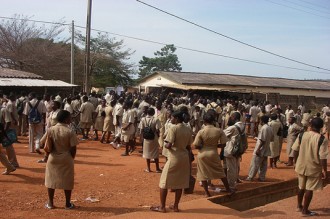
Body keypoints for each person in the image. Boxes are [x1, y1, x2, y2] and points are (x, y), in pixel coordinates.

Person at [150, 111, 192, 213]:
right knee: (180, 182)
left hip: (174, 157)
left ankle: (162, 207)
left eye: (172, 118)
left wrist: (165, 143)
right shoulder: (188, 129)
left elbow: (168, 145)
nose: (171, 119)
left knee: (164, 182)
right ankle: (176, 206)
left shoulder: (173, 128)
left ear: (176, 119)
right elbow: (188, 145)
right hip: (184, 157)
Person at [40, 110, 78, 209]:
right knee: (67, 181)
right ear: (66, 119)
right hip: (66, 158)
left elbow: (41, 143)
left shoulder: (50, 129)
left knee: (50, 180)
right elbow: (73, 148)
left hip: (52, 157)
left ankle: (50, 203)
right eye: (70, 117)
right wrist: (71, 157)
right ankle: (67, 204)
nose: (71, 119)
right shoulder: (70, 131)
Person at [292, 117, 328, 216]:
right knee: (309, 189)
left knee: (301, 187)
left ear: (310, 125)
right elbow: (323, 157)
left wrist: (295, 162)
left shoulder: (302, 135)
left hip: (301, 165)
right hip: (314, 167)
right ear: (321, 127)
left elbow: (295, 150)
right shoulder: (322, 139)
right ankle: (305, 210)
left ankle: (299, 206)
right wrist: (324, 170)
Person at [193, 113, 232, 197]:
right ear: (213, 121)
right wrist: (215, 145)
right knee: (220, 172)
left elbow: (196, 145)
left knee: (202, 174)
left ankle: (207, 193)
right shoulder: (219, 130)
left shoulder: (201, 131)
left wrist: (204, 145)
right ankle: (228, 189)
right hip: (213, 153)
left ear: (204, 121)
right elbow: (223, 144)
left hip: (202, 154)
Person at [245, 115, 273, 181]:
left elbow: (262, 140)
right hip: (266, 148)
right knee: (263, 165)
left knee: (255, 163)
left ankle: (250, 177)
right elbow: (271, 139)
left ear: (262, 121)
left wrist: (258, 149)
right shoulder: (270, 128)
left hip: (260, 149)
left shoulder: (264, 128)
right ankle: (262, 177)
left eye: (260, 120)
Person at [223, 112, 245, 190]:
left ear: (234, 118)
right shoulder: (242, 125)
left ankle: (231, 186)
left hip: (231, 150)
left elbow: (222, 134)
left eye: (231, 117)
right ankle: (234, 183)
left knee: (231, 169)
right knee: (235, 167)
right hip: (238, 149)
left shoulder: (233, 128)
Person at [139, 107, 162, 172]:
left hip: (146, 138)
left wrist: (141, 137)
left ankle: (148, 168)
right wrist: (158, 135)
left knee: (147, 152)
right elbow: (157, 129)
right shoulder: (156, 119)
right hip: (154, 137)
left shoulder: (143, 119)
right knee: (155, 152)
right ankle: (157, 168)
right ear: (153, 113)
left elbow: (141, 129)